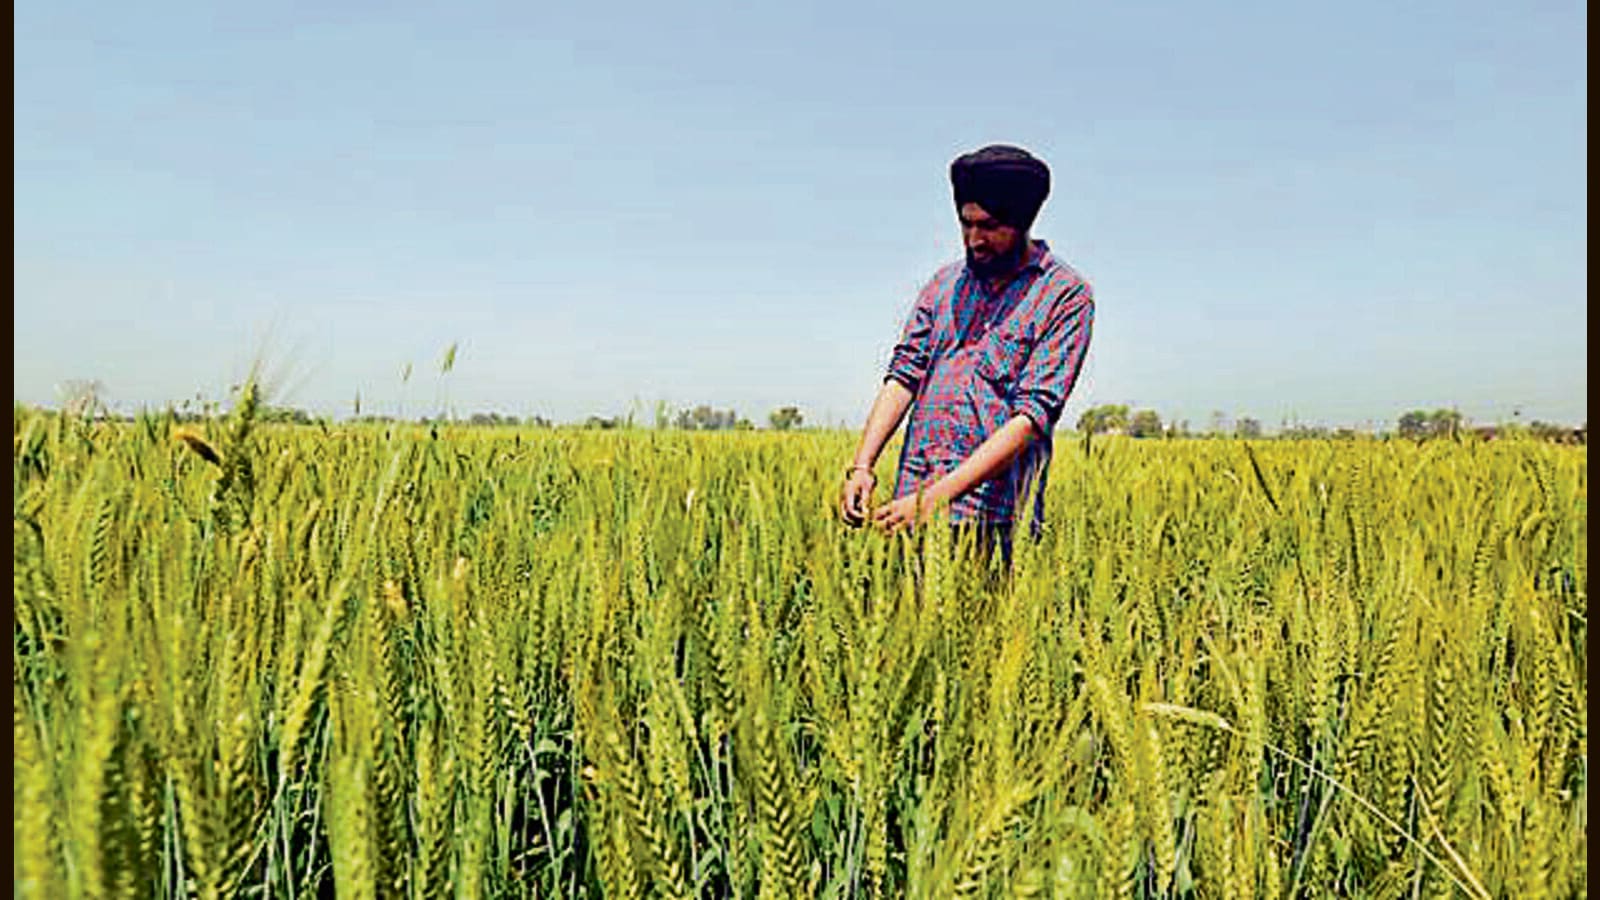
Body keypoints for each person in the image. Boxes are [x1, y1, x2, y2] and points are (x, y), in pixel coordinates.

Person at [838, 144, 1094, 564]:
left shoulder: (1065, 296)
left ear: (1023, 223)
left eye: (990, 226)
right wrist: (863, 466)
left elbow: (1031, 417)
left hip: (995, 523)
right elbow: (904, 374)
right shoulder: (943, 284)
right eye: (966, 224)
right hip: (910, 510)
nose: (975, 239)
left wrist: (934, 499)